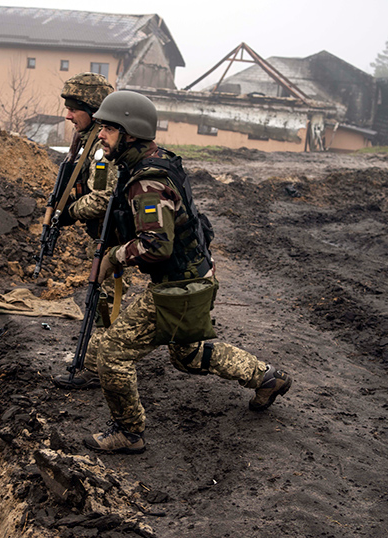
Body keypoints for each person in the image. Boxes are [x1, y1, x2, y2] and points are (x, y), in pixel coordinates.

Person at [81, 90, 293, 454]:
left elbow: (155, 247)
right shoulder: (152, 161)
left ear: (129, 131)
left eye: (108, 128)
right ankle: (266, 378)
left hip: (179, 284)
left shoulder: (147, 182)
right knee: (188, 353)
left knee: (112, 354)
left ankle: (128, 432)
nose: (100, 135)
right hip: (195, 276)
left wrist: (113, 257)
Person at [50, 72, 122, 390]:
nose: (67, 115)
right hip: (111, 236)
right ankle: (95, 362)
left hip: (119, 237)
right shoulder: (89, 140)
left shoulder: (100, 148)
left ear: (92, 110)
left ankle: (95, 366)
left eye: (74, 108)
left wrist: (70, 212)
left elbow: (101, 199)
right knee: (101, 299)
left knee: (101, 298)